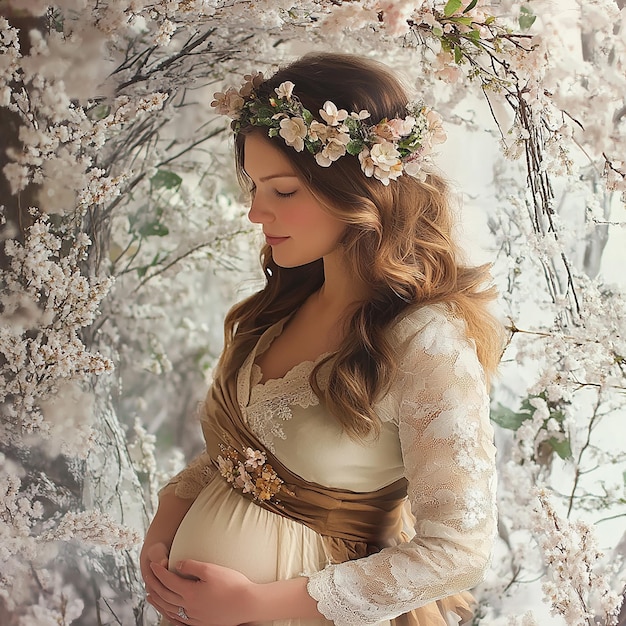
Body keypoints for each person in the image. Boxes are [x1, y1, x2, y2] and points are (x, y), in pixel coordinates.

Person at [139, 52, 503, 626]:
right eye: (255, 186)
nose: (256, 212)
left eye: (282, 191)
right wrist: (168, 519)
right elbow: (241, 458)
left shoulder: (426, 342)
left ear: (358, 189)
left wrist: (257, 604)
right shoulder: (285, 303)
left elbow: (458, 551)